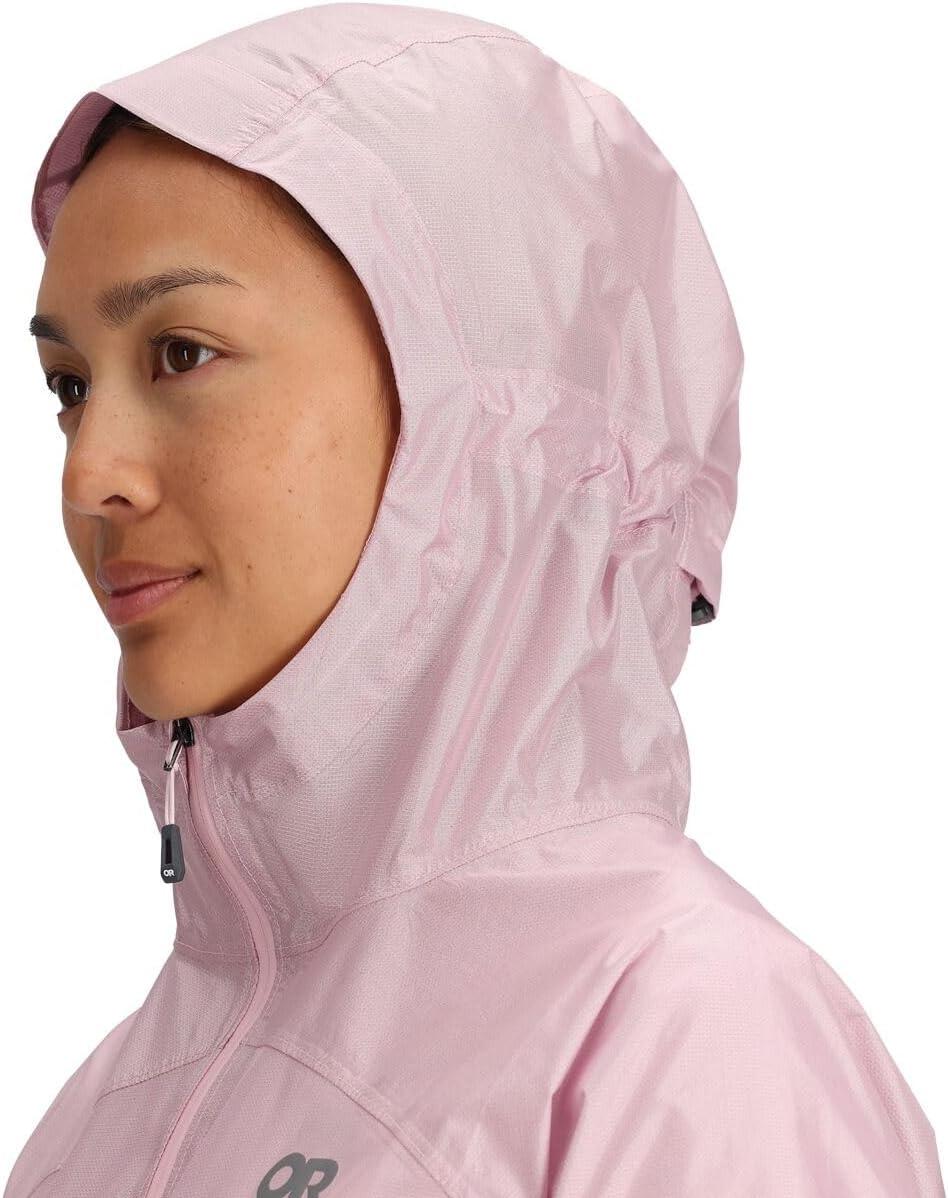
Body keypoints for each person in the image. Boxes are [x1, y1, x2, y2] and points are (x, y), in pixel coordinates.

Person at [7, 5, 944, 1196]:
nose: (89, 473)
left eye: (182, 353)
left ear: (474, 425)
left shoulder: (691, 1036)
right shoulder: (103, 1113)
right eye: (69, 387)